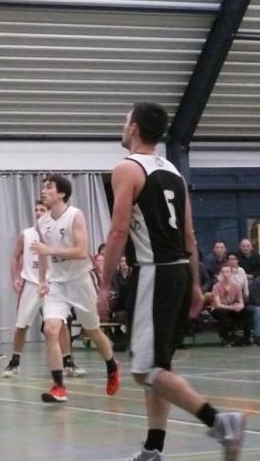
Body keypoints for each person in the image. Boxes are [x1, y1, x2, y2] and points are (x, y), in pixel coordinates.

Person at [101, 102, 246, 460]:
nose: (122, 124)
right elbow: (190, 236)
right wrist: (195, 284)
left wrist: (104, 285)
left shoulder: (127, 168)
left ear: (134, 128)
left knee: (145, 371)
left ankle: (219, 421)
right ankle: (153, 448)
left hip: (155, 271)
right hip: (179, 271)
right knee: (160, 365)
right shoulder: (173, 171)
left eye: (125, 119)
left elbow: (118, 230)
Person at [31, 174, 120, 403]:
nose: (44, 191)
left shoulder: (75, 215)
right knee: (50, 329)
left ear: (61, 193)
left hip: (80, 280)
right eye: (43, 187)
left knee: (93, 330)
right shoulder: (42, 222)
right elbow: (43, 254)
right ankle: (58, 387)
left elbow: (81, 251)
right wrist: (42, 280)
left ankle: (112, 366)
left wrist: (50, 251)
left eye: (49, 187)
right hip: (57, 283)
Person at [3, 199, 83, 378]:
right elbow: (15, 257)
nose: (39, 212)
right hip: (31, 283)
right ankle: (14, 362)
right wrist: (15, 278)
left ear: (49, 212)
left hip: (52, 283)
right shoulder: (26, 234)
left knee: (61, 323)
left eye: (42, 209)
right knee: (21, 324)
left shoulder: (57, 233)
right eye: (37, 210)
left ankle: (68, 361)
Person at [211, 265, 252, 347]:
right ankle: (225, 338)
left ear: (231, 274)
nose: (225, 274)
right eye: (223, 272)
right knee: (222, 312)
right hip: (219, 309)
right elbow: (218, 305)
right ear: (220, 274)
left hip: (231, 309)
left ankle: (246, 338)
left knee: (247, 311)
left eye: (227, 272)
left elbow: (241, 302)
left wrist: (239, 307)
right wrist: (232, 307)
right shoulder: (216, 287)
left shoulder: (236, 286)